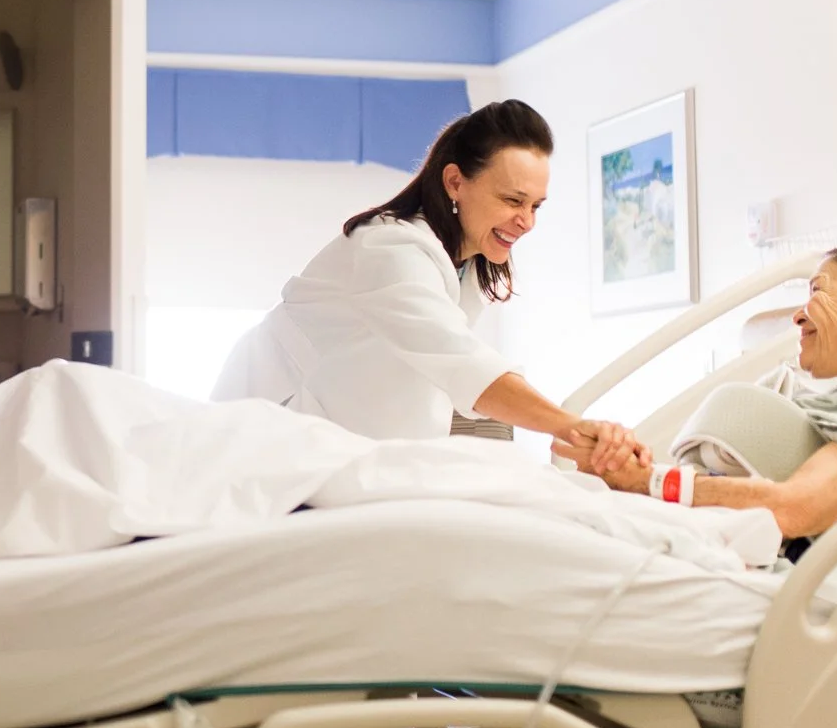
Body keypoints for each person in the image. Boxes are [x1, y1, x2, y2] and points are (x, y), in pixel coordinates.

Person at [214, 98, 643, 470]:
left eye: (535, 206)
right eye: (512, 201)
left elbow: (454, 371)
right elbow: (461, 362)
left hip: (348, 428)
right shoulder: (388, 249)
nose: (526, 222)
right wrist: (572, 426)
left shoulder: (465, 265)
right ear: (455, 182)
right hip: (271, 424)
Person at [569, 237, 837, 545]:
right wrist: (626, 473)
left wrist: (645, 482)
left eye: (818, 292)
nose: (798, 314)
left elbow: (796, 507)